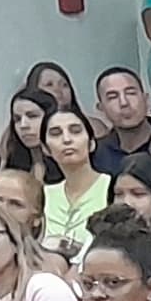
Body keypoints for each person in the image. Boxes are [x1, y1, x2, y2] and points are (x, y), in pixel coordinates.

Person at [32, 107, 110, 261]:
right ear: (45, 148)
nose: (66, 139)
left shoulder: (113, 187)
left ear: (91, 143)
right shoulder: (43, 195)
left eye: (75, 131)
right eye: (56, 133)